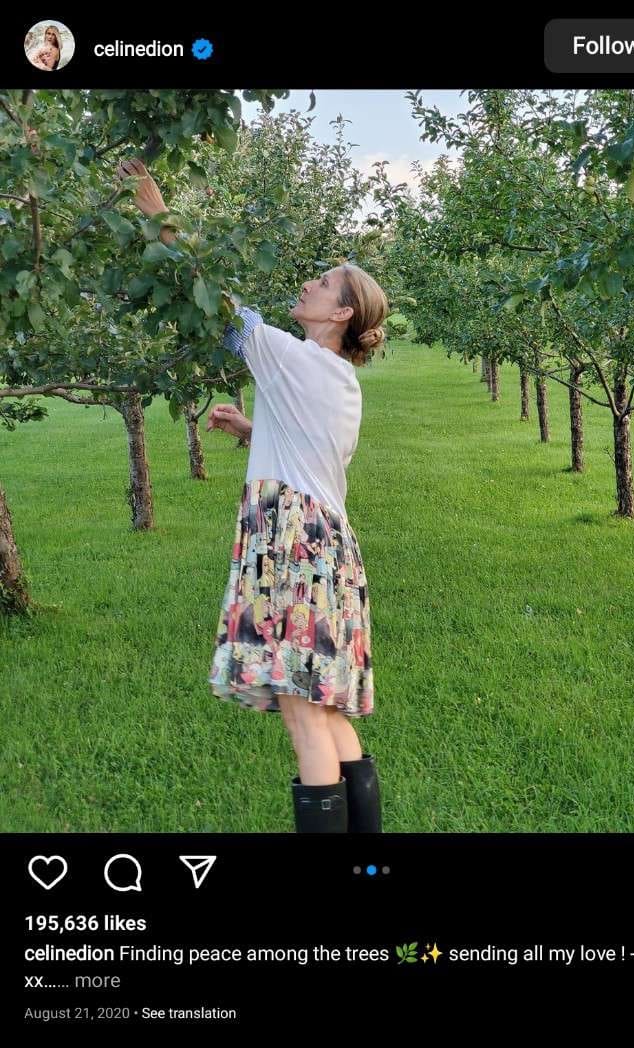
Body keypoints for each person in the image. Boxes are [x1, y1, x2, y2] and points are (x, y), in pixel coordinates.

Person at [116, 157, 387, 834]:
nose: (307, 283)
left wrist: (159, 214)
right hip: (326, 540)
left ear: (342, 311)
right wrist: (251, 429)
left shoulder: (291, 357)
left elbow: (214, 296)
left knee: (301, 707)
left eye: (321, 283)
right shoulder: (334, 377)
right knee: (325, 706)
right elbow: (311, 450)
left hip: (289, 542)